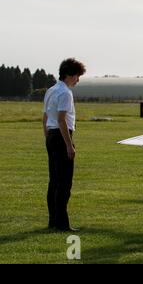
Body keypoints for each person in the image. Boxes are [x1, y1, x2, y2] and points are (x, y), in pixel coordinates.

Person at [43, 58, 85, 232]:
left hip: (51, 135)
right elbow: (62, 120)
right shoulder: (66, 93)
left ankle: (53, 220)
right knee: (64, 182)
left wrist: (48, 138)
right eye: (76, 76)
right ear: (68, 75)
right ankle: (62, 223)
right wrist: (69, 145)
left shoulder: (51, 90)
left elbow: (45, 118)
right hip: (61, 136)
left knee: (54, 180)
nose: (78, 80)